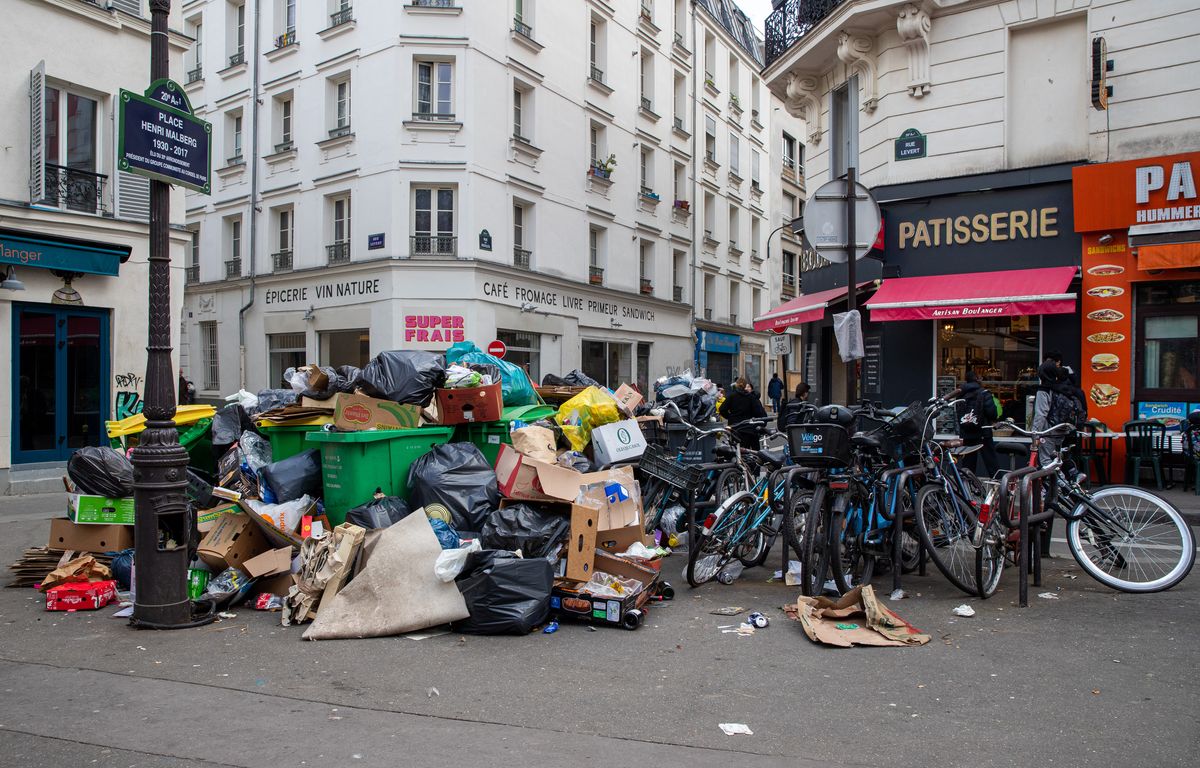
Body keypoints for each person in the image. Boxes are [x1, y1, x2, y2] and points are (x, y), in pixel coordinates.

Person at [954, 370, 999, 478]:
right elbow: (992, 413)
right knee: (991, 463)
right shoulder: (984, 393)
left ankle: (967, 487)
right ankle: (998, 486)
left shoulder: (960, 394)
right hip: (983, 432)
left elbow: (958, 413)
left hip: (967, 433)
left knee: (968, 464)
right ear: (976, 379)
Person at [718, 377, 767, 447]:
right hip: (749, 427)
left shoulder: (732, 396)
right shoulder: (751, 397)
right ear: (745, 386)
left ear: (736, 385)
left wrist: (730, 417)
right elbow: (758, 413)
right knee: (752, 452)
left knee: (737, 451)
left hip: (735, 427)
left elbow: (722, 409)